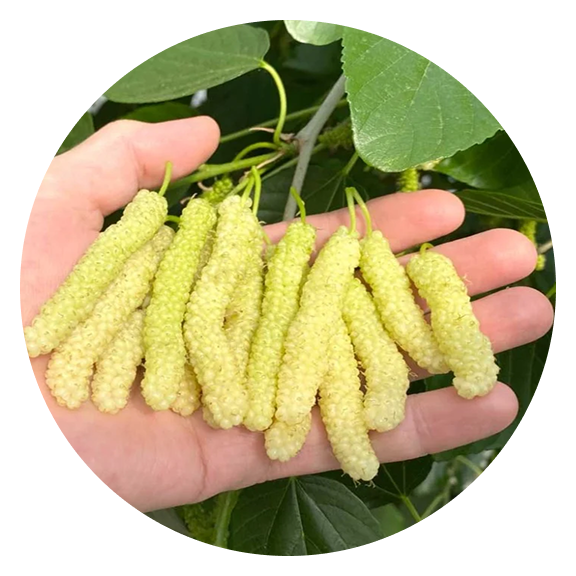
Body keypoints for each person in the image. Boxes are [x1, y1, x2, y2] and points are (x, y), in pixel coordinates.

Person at [21, 117, 554, 513]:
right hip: (200, 274)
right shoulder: (187, 244)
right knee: (187, 309)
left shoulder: (327, 264)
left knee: (285, 317)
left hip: (305, 279)